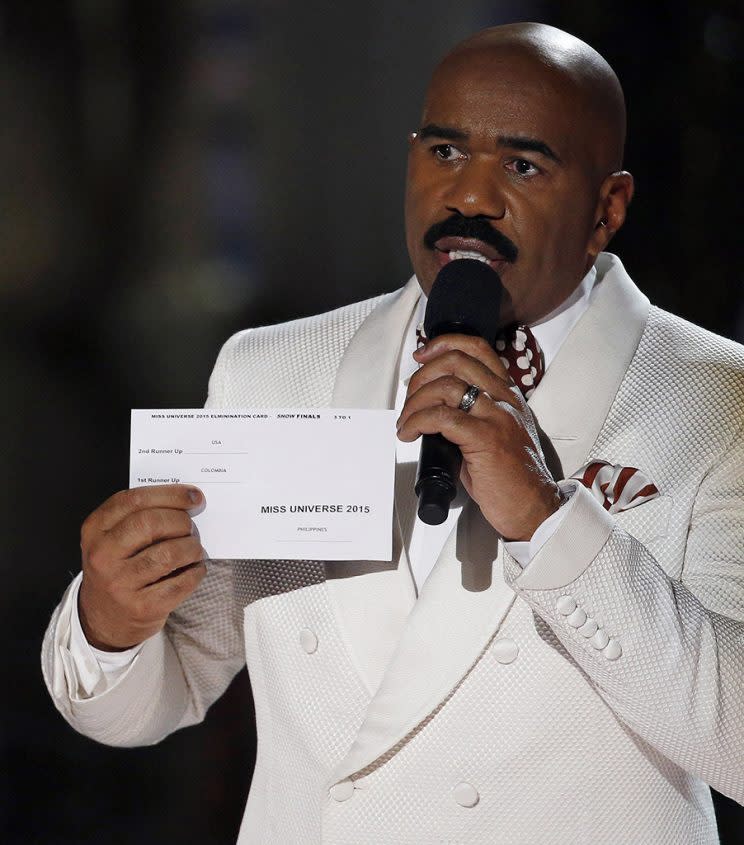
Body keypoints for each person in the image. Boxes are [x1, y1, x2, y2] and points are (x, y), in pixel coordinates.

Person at [42, 22, 744, 844]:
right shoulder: (272, 370)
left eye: (522, 164)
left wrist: (550, 522)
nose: (471, 198)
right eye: (445, 153)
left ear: (607, 207)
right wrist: (111, 620)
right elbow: (158, 695)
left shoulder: (716, 397)